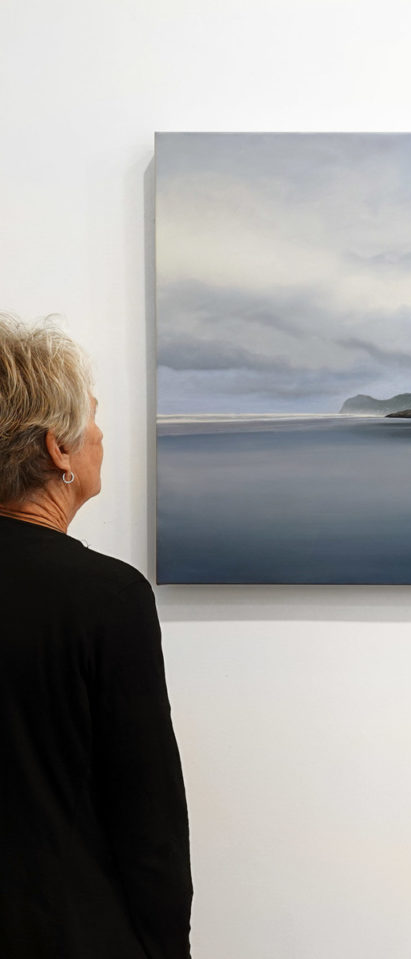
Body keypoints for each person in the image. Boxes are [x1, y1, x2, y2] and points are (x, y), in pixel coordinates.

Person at [0, 313, 192, 958]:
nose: (102, 434)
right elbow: (148, 825)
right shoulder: (105, 597)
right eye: (93, 416)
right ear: (58, 448)